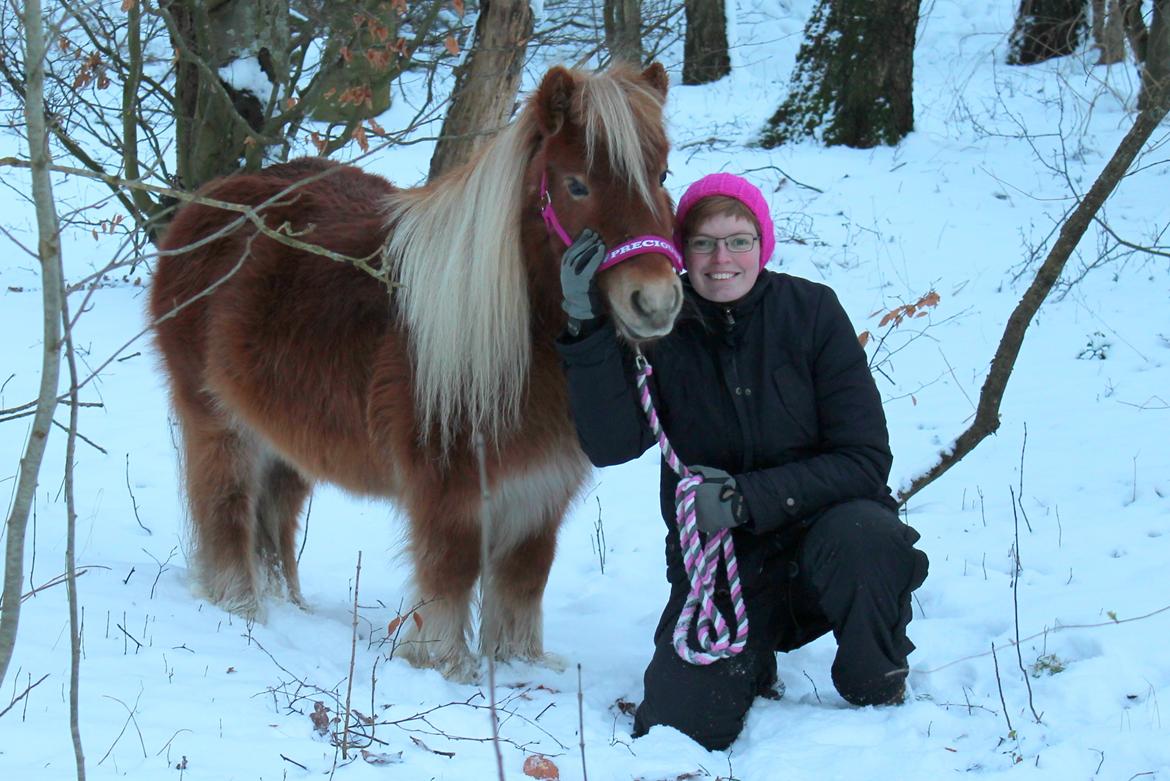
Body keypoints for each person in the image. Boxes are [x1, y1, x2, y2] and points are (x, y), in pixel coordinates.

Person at [555, 173, 929, 751]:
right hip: (722, 564)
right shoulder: (662, 323)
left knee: (867, 535)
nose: (721, 258)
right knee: (680, 725)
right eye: (703, 243)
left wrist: (746, 499)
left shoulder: (812, 311)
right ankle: (750, 659)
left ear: (763, 244)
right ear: (683, 251)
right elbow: (612, 445)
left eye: (739, 241)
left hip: (827, 544)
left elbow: (865, 459)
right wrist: (584, 327)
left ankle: (875, 672)